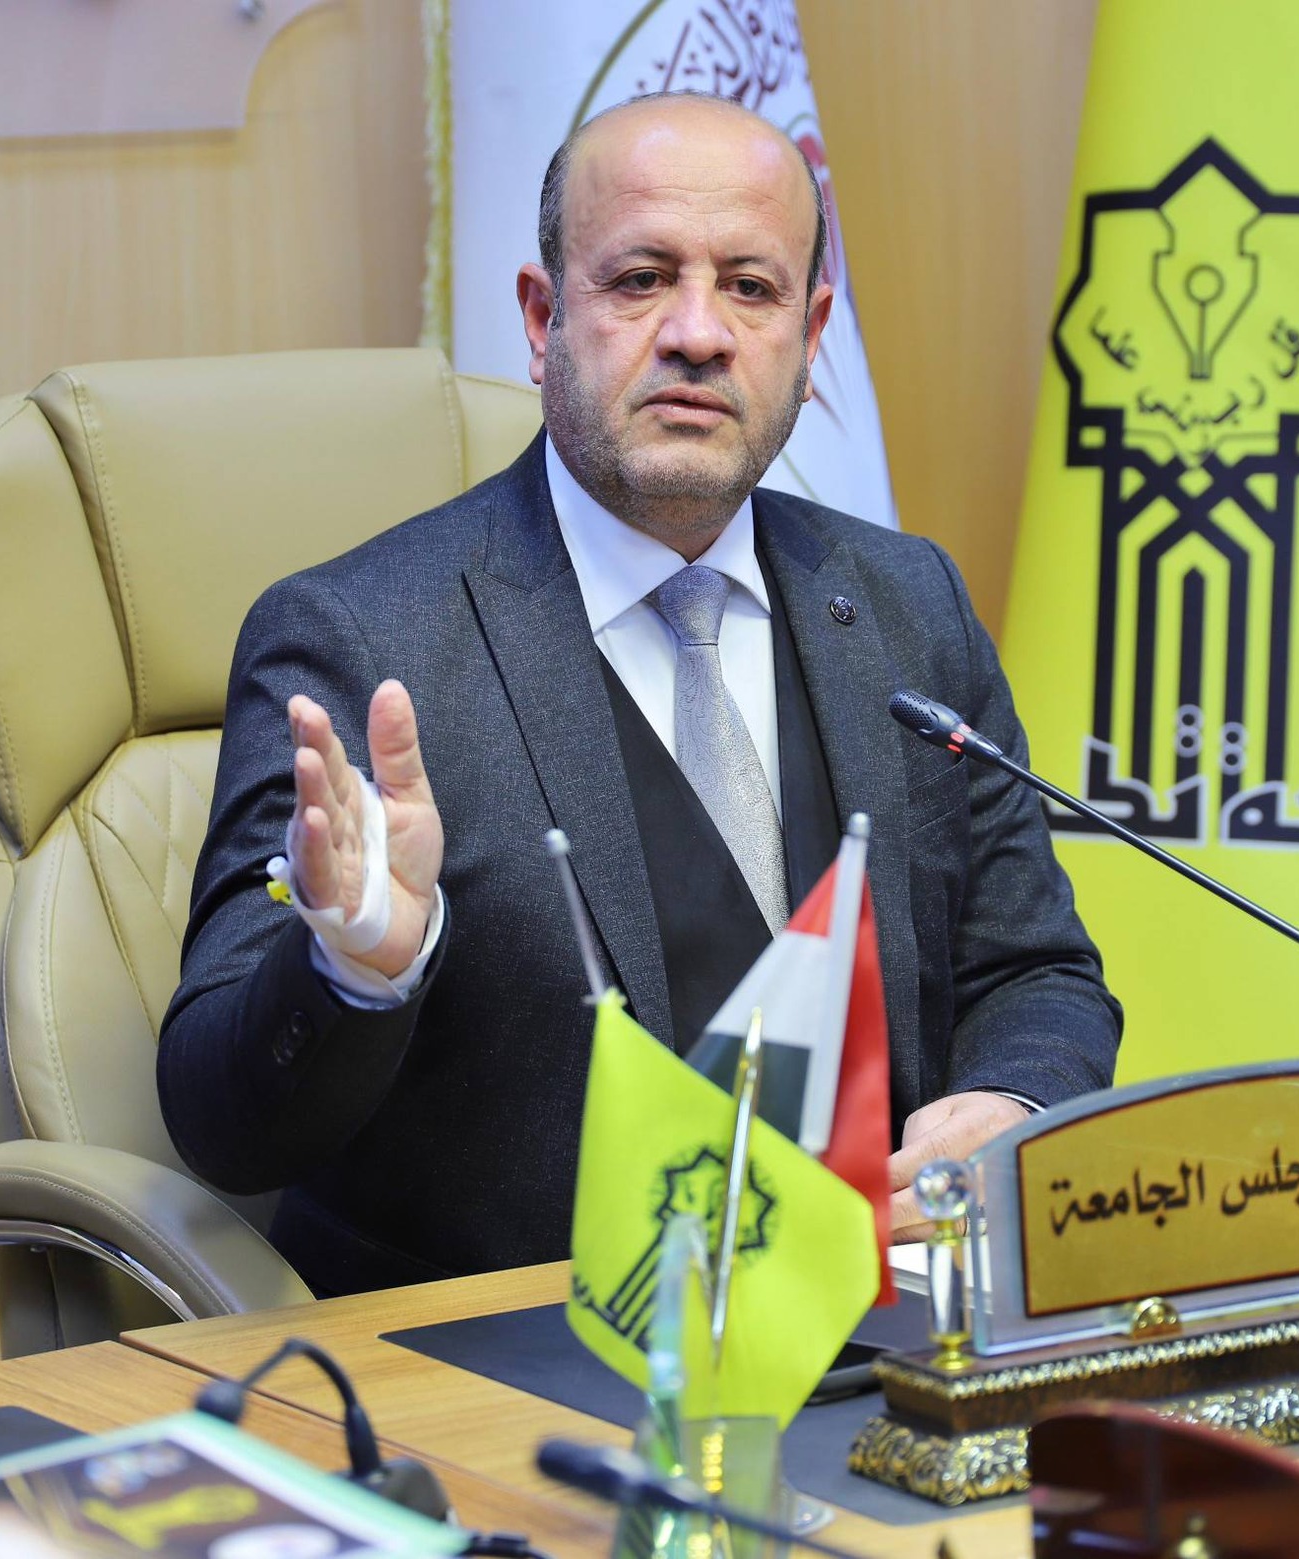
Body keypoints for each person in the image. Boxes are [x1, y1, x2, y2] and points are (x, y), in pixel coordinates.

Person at [159, 92, 1120, 1297]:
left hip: (876, 1322)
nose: (698, 334)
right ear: (542, 317)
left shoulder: (904, 604)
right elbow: (219, 1120)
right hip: (520, 1352)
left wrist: (1007, 1101)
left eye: (751, 289)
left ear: (810, 334)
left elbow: (1033, 970)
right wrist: (358, 966)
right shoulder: (360, 640)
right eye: (641, 278)